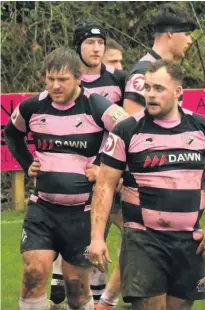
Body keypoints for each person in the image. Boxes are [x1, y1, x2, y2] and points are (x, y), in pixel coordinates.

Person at [87, 59, 205, 310]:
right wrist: (97, 238)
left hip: (189, 239)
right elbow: (105, 185)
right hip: (144, 238)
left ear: (178, 91)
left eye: (159, 89)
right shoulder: (127, 130)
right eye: (148, 88)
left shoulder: (202, 128)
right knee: (153, 306)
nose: (151, 95)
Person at [3, 47, 128, 310]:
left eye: (63, 80)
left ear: (78, 78)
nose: (55, 86)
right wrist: (28, 165)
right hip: (42, 209)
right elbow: (11, 134)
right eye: (50, 79)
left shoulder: (96, 105)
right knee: (33, 273)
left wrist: (106, 167)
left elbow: (131, 132)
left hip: (83, 212)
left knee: (76, 289)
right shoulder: (32, 106)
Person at [45, 21, 130, 310]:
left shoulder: (119, 80)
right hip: (79, 172)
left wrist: (115, 166)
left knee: (131, 231)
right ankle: (64, 279)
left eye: (101, 43)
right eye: (90, 43)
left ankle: (106, 298)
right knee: (78, 229)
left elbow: (126, 125)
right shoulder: (65, 81)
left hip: (109, 168)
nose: (97, 48)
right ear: (77, 46)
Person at [122, 3, 197, 115]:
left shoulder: (170, 70)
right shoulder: (142, 73)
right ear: (170, 33)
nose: (190, 40)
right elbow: (131, 125)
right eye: (186, 34)